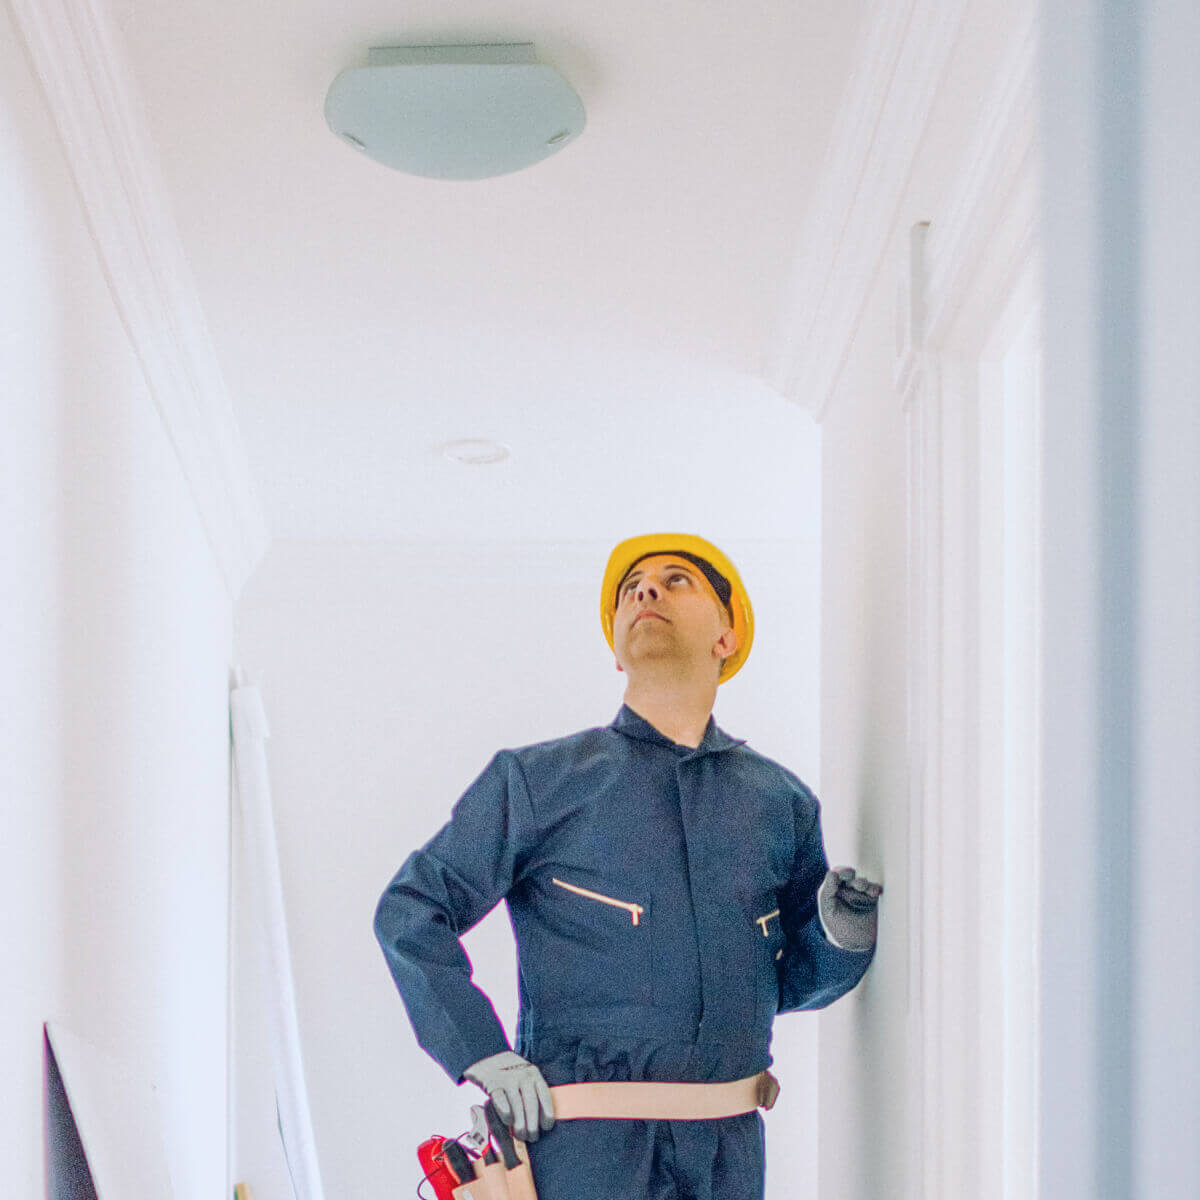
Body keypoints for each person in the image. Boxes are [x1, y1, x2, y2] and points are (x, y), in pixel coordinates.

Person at [375, 533, 882, 1200]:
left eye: (678, 582)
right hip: (581, 1156)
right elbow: (412, 910)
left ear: (726, 637)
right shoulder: (536, 783)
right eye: (631, 588)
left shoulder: (780, 805)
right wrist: (479, 1051)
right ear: (617, 653)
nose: (646, 591)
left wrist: (843, 934)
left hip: (728, 1152)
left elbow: (784, 981)